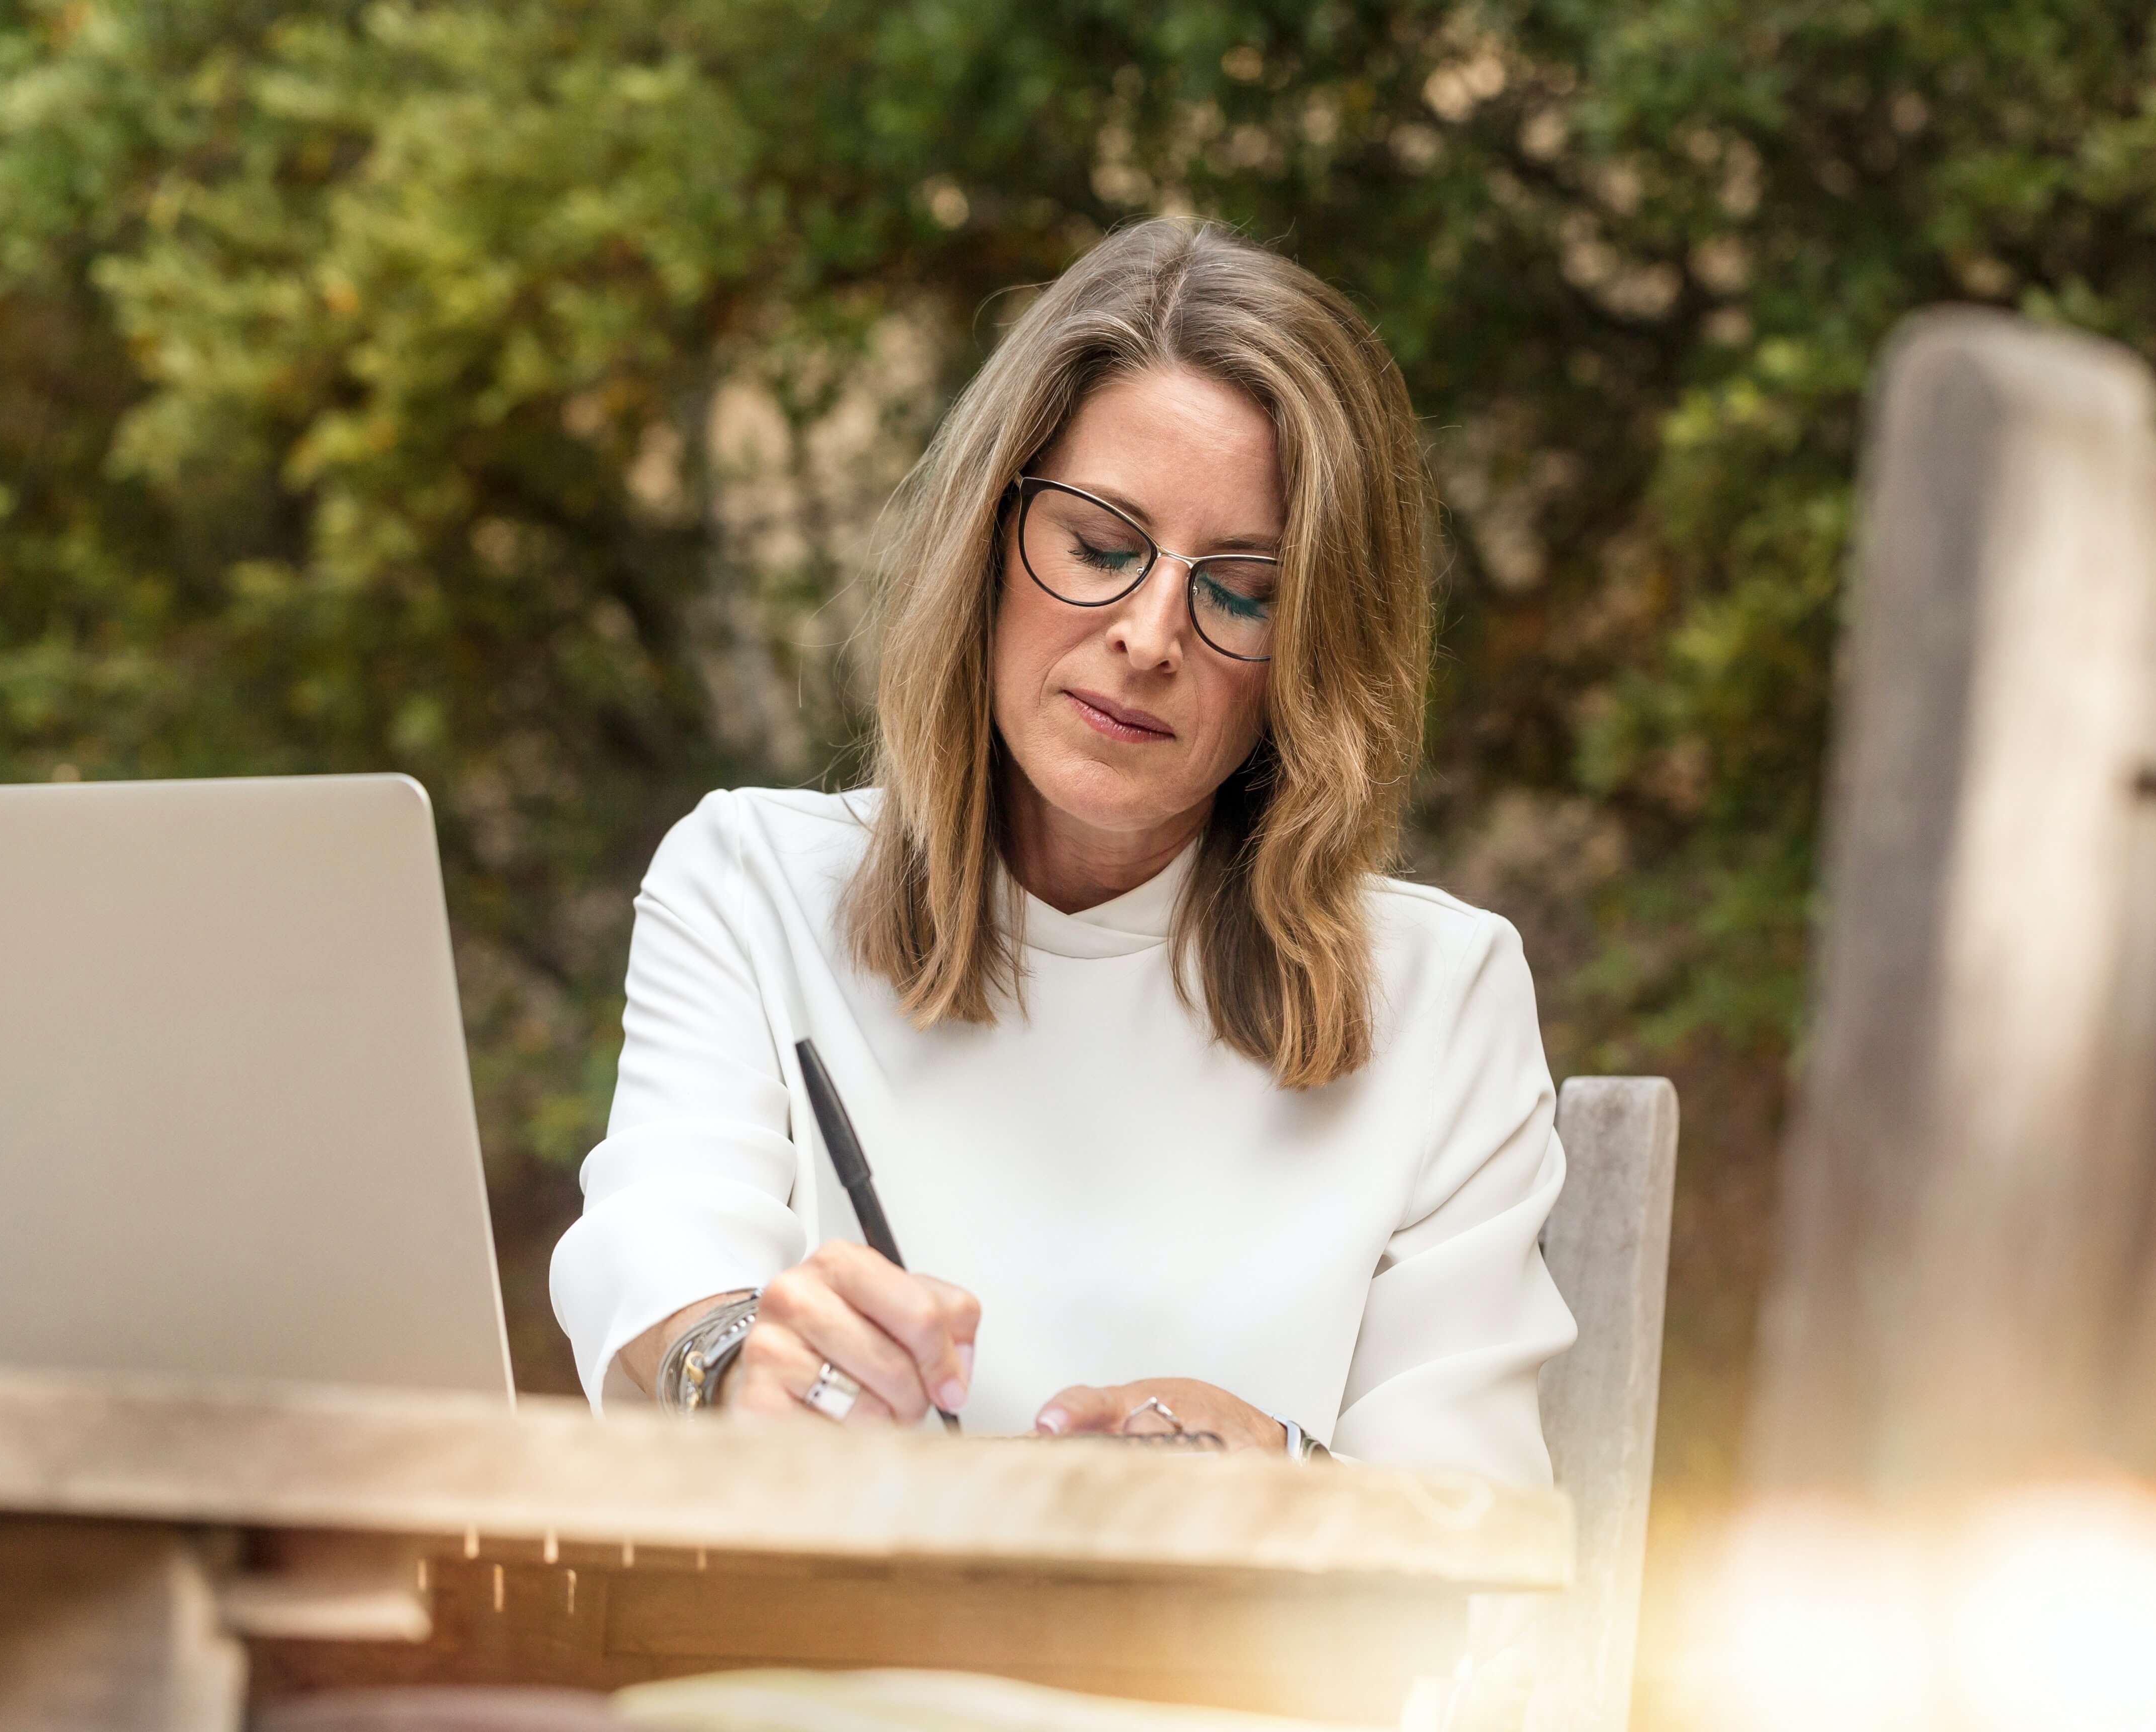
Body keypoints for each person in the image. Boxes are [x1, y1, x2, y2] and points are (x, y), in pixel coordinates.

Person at [548, 218, 1576, 1483]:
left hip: (1226, 1676)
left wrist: (1292, 1478)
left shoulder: (1443, 996)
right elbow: (665, 1246)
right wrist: (735, 1358)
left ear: (1313, 653)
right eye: (1099, 547)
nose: (1151, 636)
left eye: (1242, 591)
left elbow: (1475, 1533)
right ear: (989, 536)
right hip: (810, 1665)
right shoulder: (754, 884)